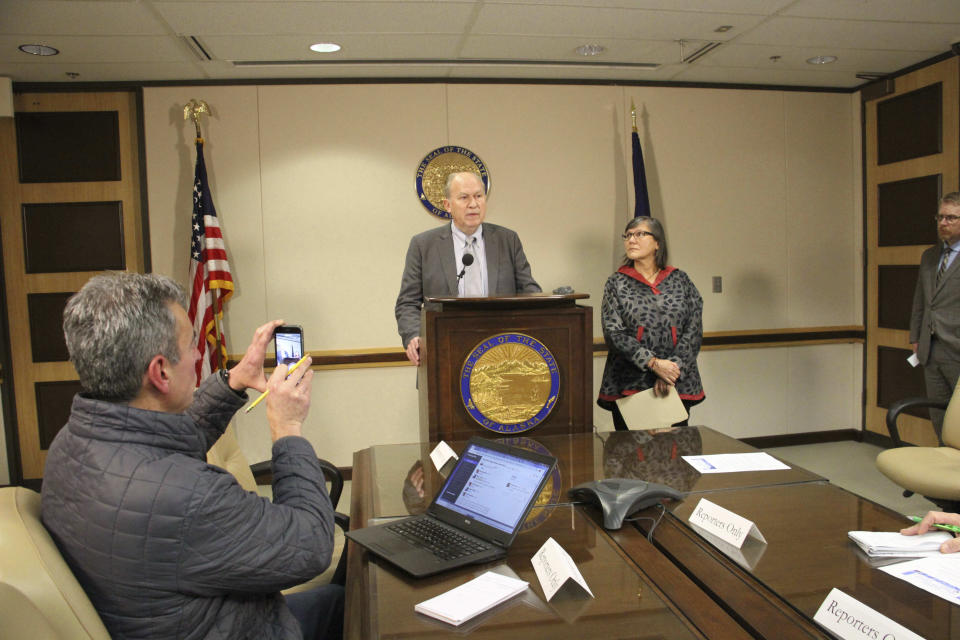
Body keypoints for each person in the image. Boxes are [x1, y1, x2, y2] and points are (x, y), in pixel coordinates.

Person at [41, 272, 343, 640]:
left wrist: (234, 381)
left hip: (177, 616)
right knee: (355, 604)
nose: (200, 353)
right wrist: (288, 429)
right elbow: (310, 545)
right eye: (189, 345)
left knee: (343, 595)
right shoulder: (190, 498)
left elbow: (158, 450)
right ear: (160, 371)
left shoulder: (72, 444)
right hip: (240, 627)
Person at [395, 171, 541, 365]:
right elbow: (407, 303)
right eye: (464, 197)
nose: (473, 204)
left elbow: (530, 293)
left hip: (501, 356)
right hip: (445, 356)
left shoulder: (507, 240)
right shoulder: (423, 245)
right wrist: (414, 336)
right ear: (448, 205)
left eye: (479, 196)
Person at [597, 217, 704, 430]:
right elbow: (614, 333)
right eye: (627, 235)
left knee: (673, 453)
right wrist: (654, 364)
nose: (631, 240)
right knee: (631, 453)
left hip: (675, 380)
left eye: (639, 234)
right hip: (631, 381)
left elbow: (693, 329)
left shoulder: (680, 280)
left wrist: (671, 369)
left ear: (657, 243)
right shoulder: (616, 283)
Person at [910, 192, 960, 435]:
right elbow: (921, 300)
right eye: (940, 217)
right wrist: (915, 337)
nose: (943, 223)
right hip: (931, 349)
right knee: (939, 417)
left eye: (951, 217)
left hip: (957, 347)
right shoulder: (930, 256)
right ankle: (943, 465)